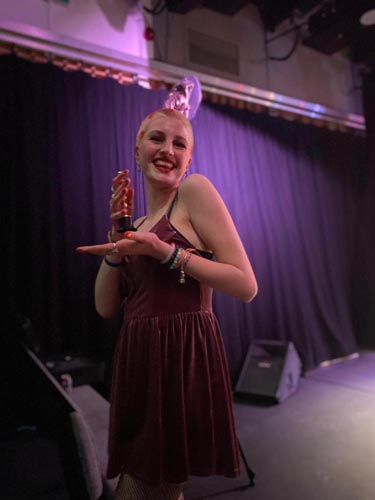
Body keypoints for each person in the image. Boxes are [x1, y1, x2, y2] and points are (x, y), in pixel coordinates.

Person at [76, 105, 258, 500]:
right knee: (162, 487)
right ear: (137, 149)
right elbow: (106, 307)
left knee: (143, 487)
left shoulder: (193, 193)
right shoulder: (137, 224)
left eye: (180, 143)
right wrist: (116, 238)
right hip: (140, 360)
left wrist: (168, 254)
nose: (168, 149)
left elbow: (246, 285)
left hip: (181, 357)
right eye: (157, 138)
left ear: (189, 158)